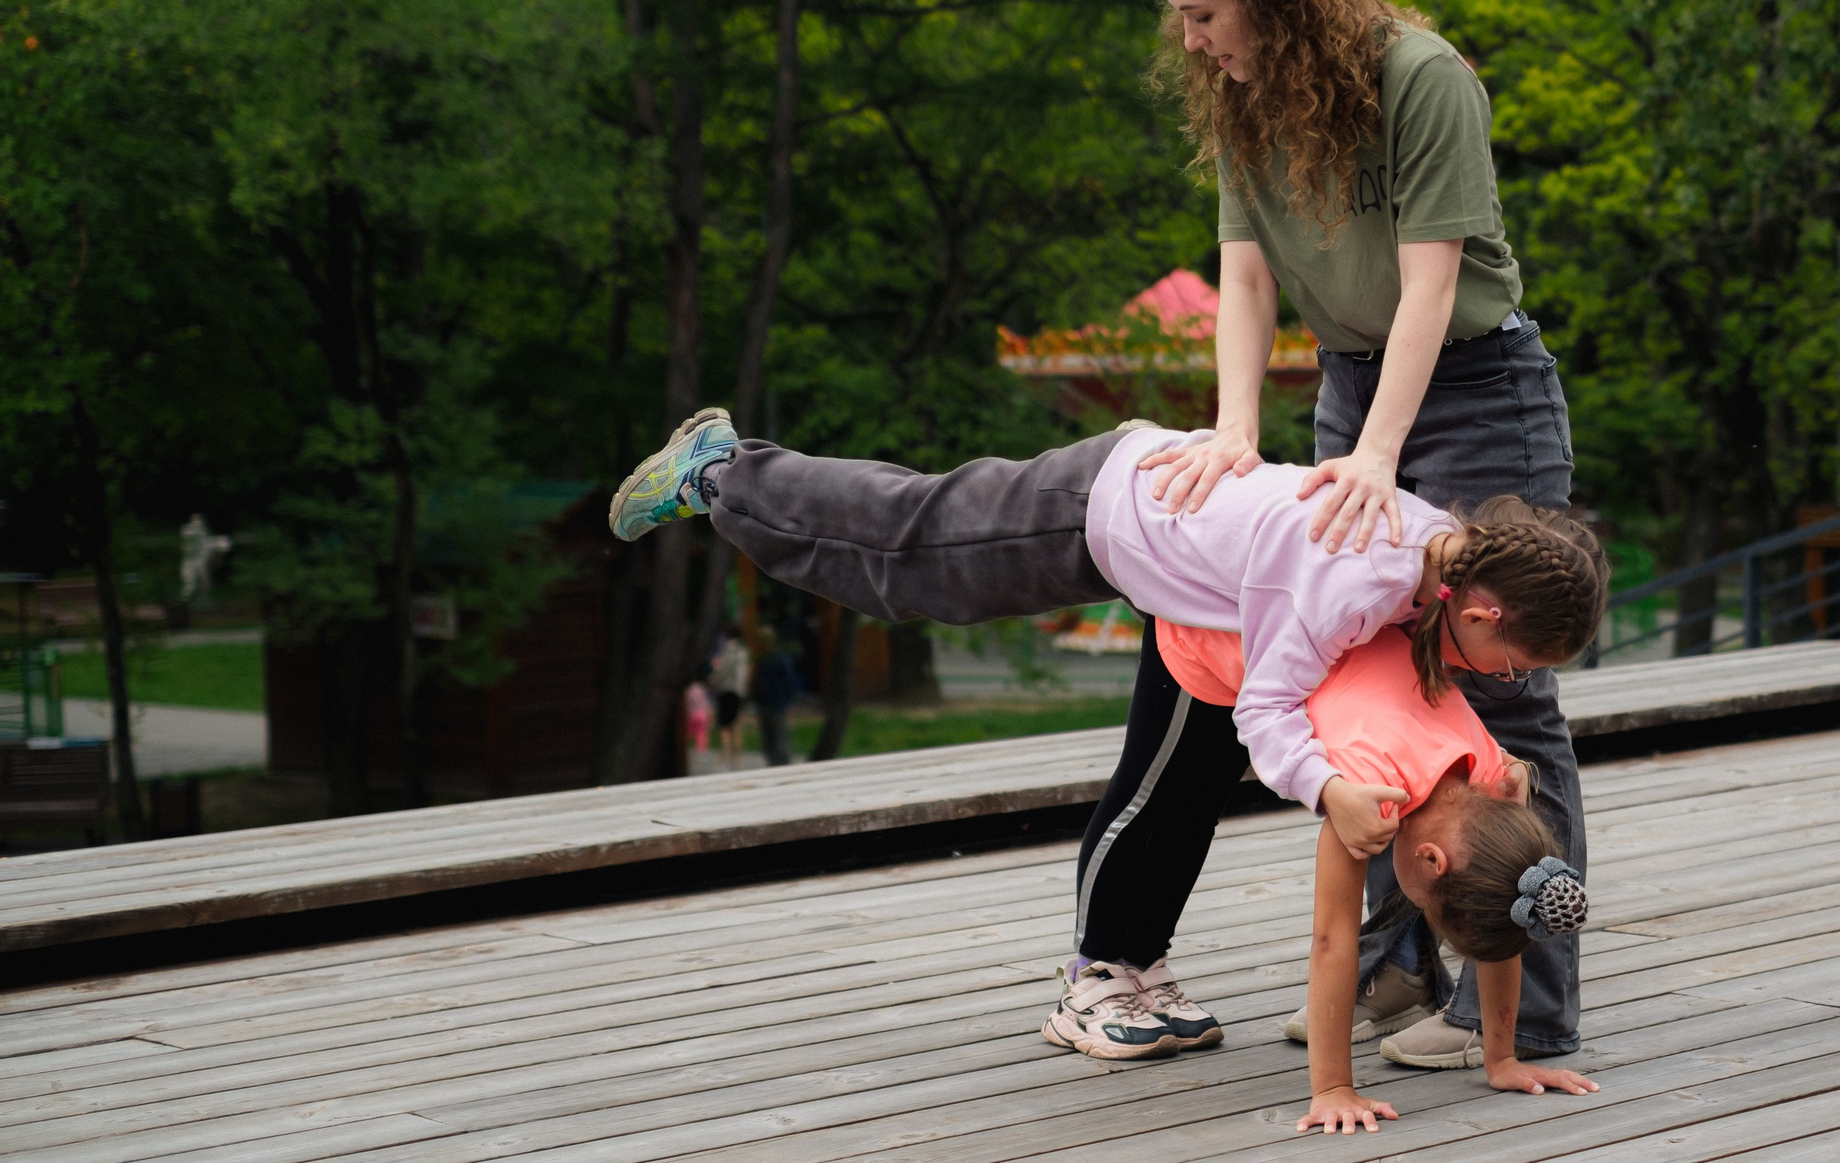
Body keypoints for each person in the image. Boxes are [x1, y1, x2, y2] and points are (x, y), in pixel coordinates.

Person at [609, 410, 1607, 1055]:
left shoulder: (1436, 555)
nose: (1511, 682)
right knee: (903, 558)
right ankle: (724, 473)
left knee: (1175, 764)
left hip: (1170, 552)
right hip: (1106, 510)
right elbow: (1268, 710)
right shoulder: (1354, 581)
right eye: (1517, 662)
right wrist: (1327, 789)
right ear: (1478, 611)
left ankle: (1127, 963)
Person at [1108, 0, 1587, 1072]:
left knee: (1501, 686)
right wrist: (1231, 430)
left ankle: (1521, 1006)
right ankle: (1391, 966)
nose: (1191, 35)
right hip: (1349, 376)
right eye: (1179, 11)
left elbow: (1432, 280)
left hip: (1475, 384)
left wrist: (1377, 455)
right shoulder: (1246, 92)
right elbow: (1249, 274)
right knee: (1357, 670)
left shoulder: (1416, 77)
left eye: (1204, 10)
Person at [1147, 620, 1597, 1128]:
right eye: (1429, 910)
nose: (1419, 910)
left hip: (1341, 627)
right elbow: (1331, 940)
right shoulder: (1365, 794)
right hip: (1220, 635)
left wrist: (1501, 1059)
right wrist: (1334, 1088)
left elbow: (1506, 913)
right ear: (1430, 861)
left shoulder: (1494, 778)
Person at [750, 634, 802, 767]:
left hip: (777, 703)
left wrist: (787, 701)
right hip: (765, 704)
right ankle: (773, 765)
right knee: (769, 739)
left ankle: (783, 766)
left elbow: (789, 683)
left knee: (779, 739)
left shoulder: (780, 660)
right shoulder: (763, 660)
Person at [707, 627, 752, 766]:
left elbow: (721, 672)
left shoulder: (727, 651)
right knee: (736, 723)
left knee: (724, 725)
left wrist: (713, 677)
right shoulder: (744, 652)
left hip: (726, 690)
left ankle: (726, 755)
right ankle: (737, 757)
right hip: (739, 692)